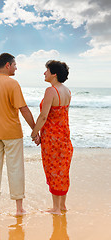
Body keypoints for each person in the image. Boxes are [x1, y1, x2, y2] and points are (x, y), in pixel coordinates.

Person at [0, 53, 36, 216]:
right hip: (12, 133)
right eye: (15, 64)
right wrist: (34, 130)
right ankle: (19, 209)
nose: (16, 67)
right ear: (7, 65)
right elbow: (23, 108)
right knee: (16, 169)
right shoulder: (12, 84)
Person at [31, 60, 73, 215]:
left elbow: (43, 117)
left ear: (54, 74)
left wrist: (34, 133)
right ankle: (62, 206)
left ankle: (55, 208)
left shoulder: (51, 91)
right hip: (65, 137)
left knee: (53, 170)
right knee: (62, 170)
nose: (44, 73)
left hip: (52, 138)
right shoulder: (67, 91)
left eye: (46, 70)